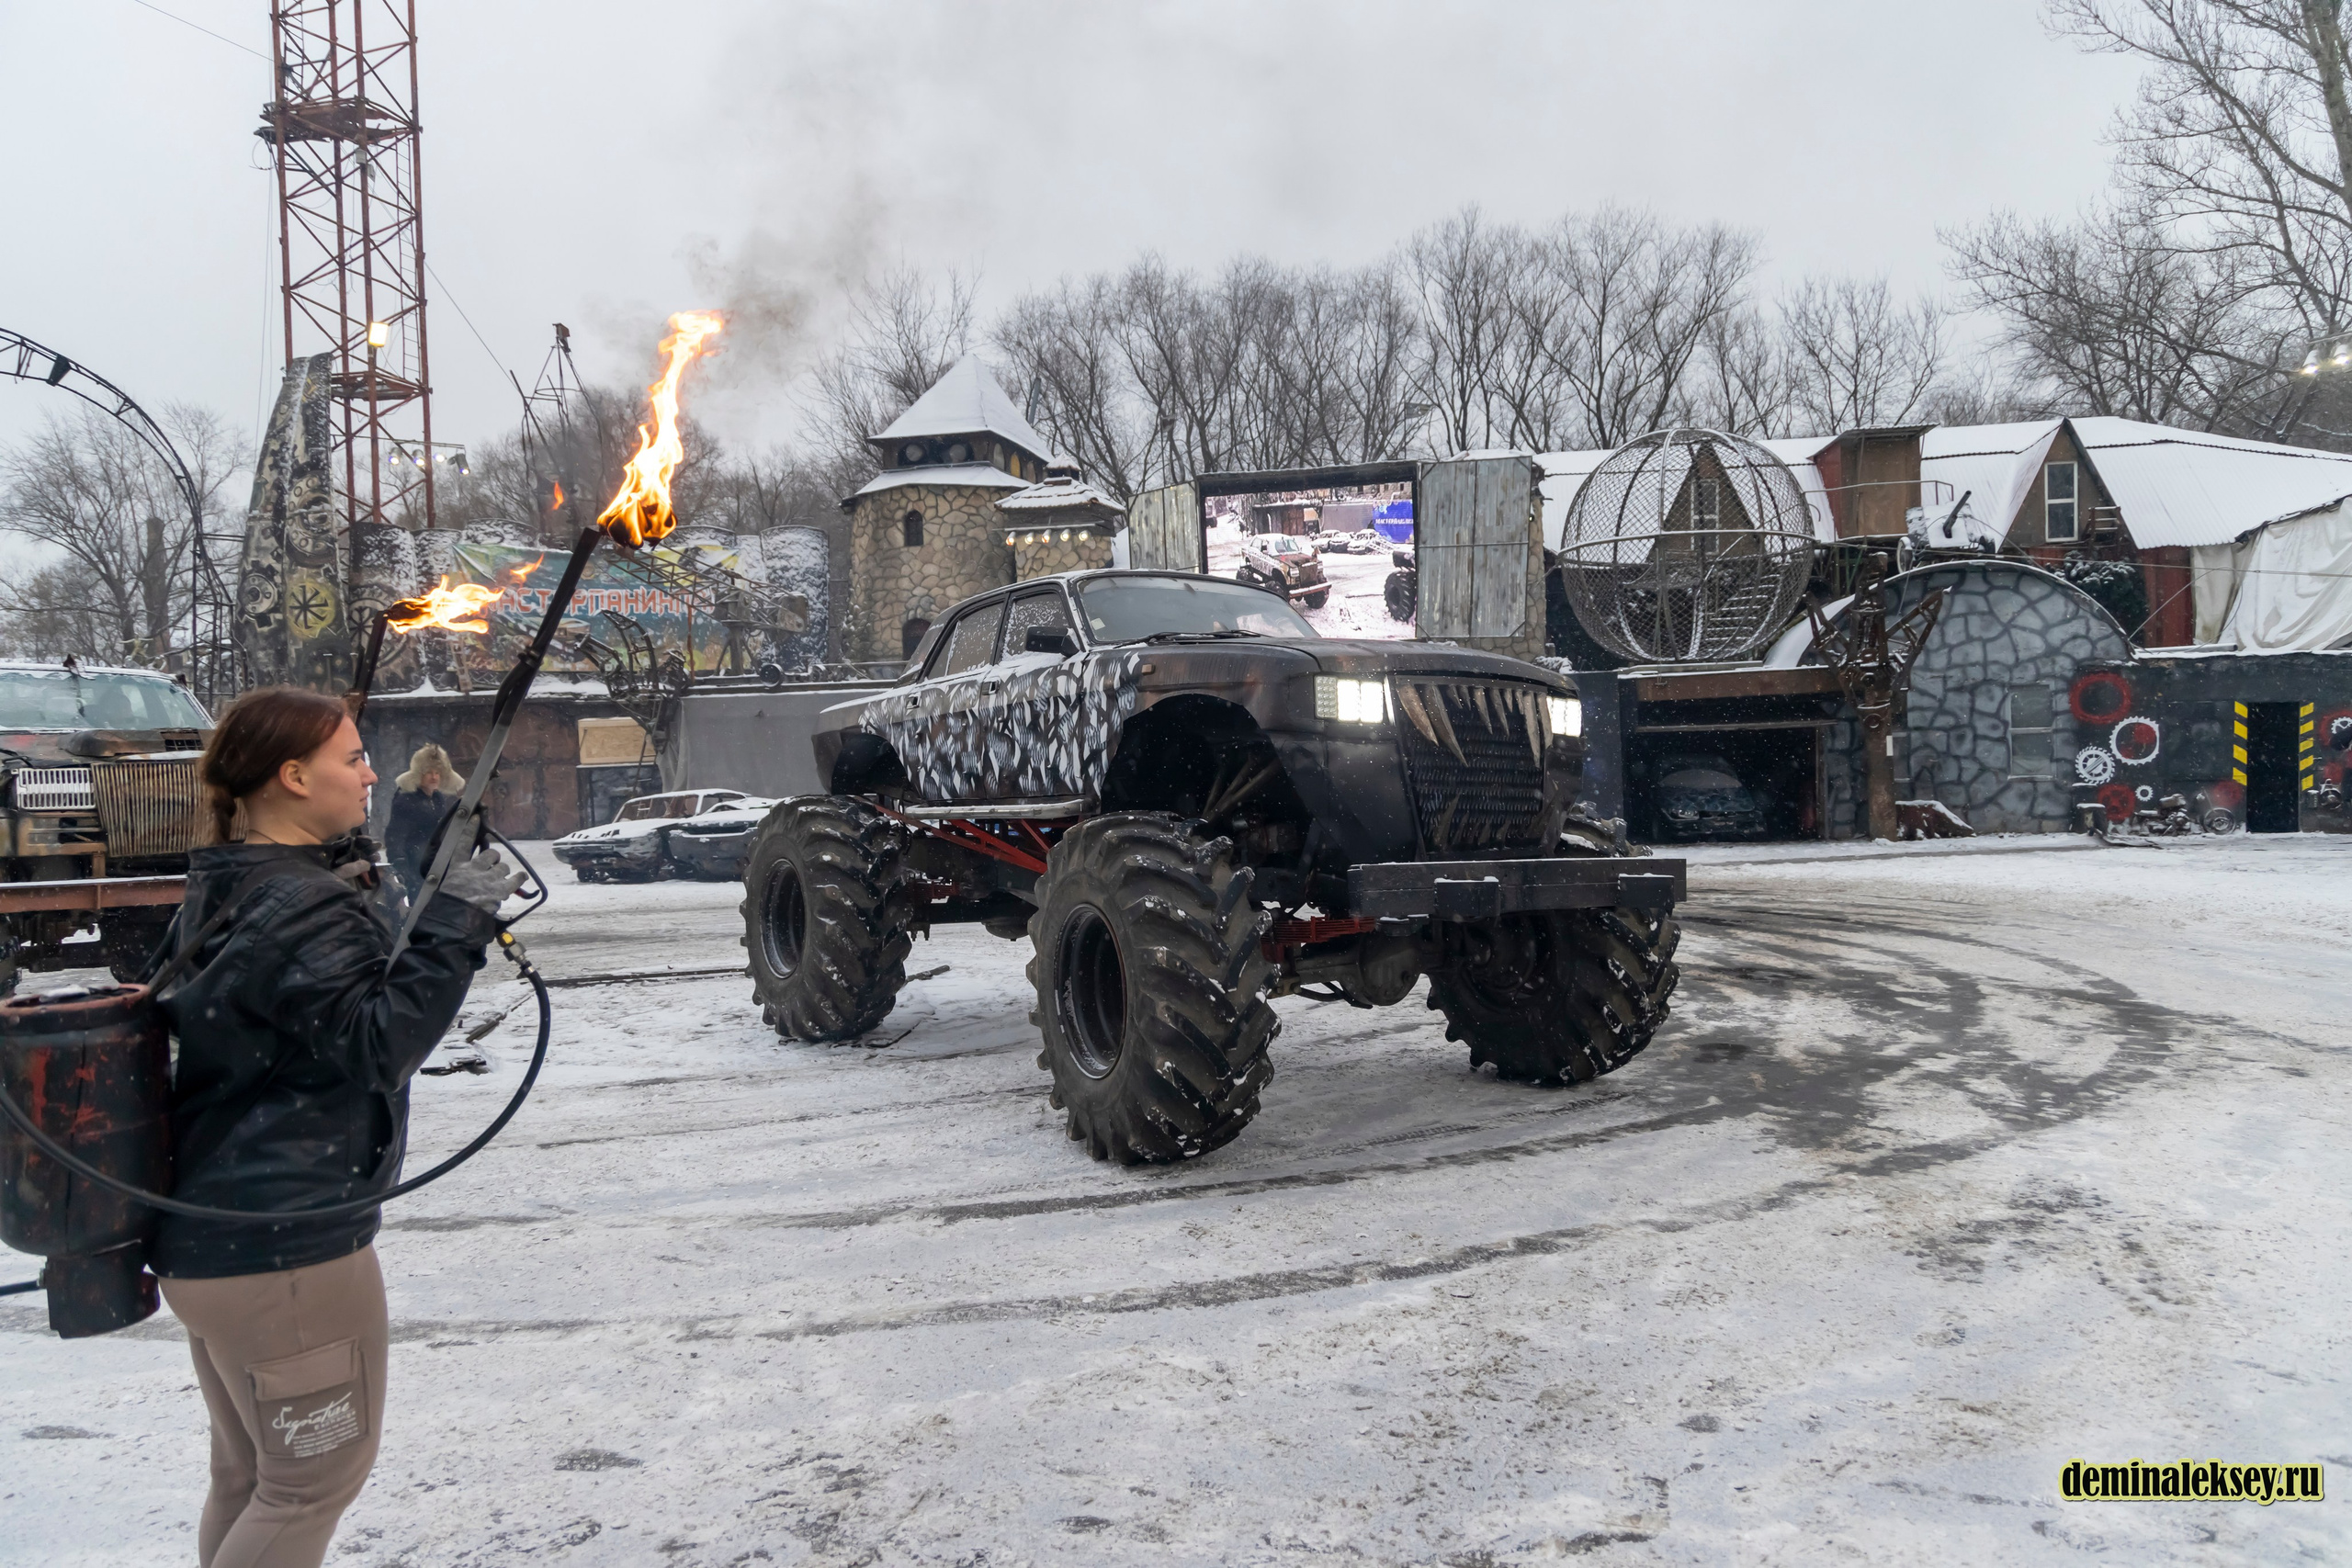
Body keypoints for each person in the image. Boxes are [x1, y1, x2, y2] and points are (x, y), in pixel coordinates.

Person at [152, 687, 524, 1568]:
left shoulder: (237, 878)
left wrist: (362, 873)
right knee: (308, 1485)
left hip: (216, 1233)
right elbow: (376, 1041)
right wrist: (457, 920)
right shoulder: (300, 907)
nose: (369, 774)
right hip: (286, 1253)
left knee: (251, 1480)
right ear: (291, 775)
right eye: (352, 758)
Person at [383, 743, 464, 897]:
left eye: (437, 772)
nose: (434, 777)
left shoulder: (438, 798)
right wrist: (399, 863)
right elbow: (395, 833)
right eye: (428, 772)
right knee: (420, 910)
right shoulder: (406, 799)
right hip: (415, 866)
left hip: (435, 864)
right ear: (418, 774)